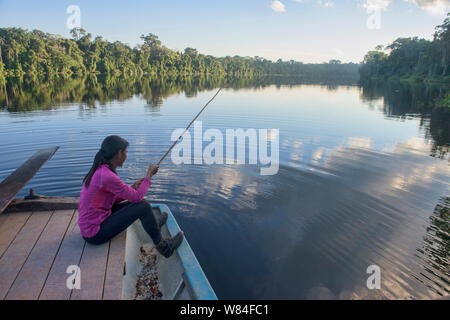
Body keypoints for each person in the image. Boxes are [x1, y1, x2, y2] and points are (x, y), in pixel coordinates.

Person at [78, 135, 183, 258]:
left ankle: (153, 225)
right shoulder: (107, 176)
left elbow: (109, 201)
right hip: (95, 234)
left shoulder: (101, 170)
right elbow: (137, 197)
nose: (126, 156)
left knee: (141, 204)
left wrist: (132, 187)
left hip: (94, 223)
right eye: (126, 152)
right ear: (119, 153)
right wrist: (148, 176)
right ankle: (164, 248)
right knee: (142, 205)